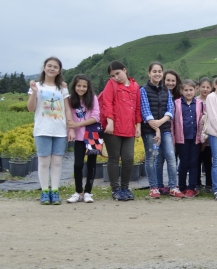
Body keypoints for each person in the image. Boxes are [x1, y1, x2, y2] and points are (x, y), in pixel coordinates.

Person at [28, 57, 71, 205]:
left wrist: (70, 127)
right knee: (44, 161)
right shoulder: (36, 86)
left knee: (57, 162)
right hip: (42, 129)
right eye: (49, 66)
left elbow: (67, 109)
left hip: (59, 129)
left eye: (55, 67)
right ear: (44, 68)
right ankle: (45, 191)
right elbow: (30, 108)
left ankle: (55, 191)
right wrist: (34, 92)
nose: (52, 69)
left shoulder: (62, 88)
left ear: (59, 70)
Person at [99, 60, 142, 201]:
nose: (116, 77)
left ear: (125, 70)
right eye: (113, 75)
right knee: (114, 158)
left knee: (128, 158)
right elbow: (107, 102)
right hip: (113, 128)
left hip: (129, 128)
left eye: (117, 73)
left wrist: (138, 126)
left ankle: (125, 187)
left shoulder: (135, 86)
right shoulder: (111, 84)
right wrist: (110, 122)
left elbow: (137, 108)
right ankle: (115, 189)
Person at [140, 62, 181, 199]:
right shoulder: (143, 90)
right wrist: (156, 128)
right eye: (154, 71)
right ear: (149, 73)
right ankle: (154, 188)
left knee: (170, 156)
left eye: (159, 71)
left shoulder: (166, 91)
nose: (157, 74)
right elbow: (145, 112)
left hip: (165, 129)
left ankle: (173, 187)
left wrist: (160, 123)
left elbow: (170, 110)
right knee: (151, 158)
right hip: (149, 131)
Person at [65, 74, 100, 203]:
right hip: (79, 137)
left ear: (88, 87)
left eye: (84, 86)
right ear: (74, 86)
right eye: (79, 86)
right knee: (78, 164)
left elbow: (96, 117)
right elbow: (69, 117)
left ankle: (88, 192)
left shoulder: (93, 98)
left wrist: (77, 125)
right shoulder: (69, 100)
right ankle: (78, 191)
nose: (81, 88)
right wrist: (71, 129)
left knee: (92, 164)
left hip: (92, 135)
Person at [173, 80, 204, 198]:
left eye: (191, 90)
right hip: (182, 139)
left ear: (195, 90)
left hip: (195, 138)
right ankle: (182, 187)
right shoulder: (176, 103)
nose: (188, 92)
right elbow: (173, 122)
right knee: (184, 163)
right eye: (186, 90)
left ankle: (191, 188)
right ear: (181, 91)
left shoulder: (200, 103)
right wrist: (173, 138)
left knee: (193, 163)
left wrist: (202, 138)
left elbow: (202, 120)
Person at [196, 77, 214, 194]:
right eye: (203, 87)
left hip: (209, 136)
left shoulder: (212, 101)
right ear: (198, 88)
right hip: (196, 137)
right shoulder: (195, 101)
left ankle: (209, 184)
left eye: (208, 87)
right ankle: (197, 183)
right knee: (196, 161)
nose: (205, 89)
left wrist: (206, 139)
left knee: (208, 162)